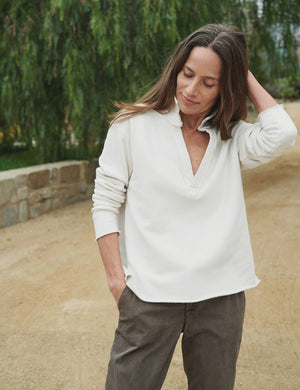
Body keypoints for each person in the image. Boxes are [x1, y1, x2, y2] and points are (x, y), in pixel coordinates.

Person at [92, 24, 297, 390]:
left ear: (226, 86)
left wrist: (240, 66)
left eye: (208, 82)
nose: (191, 90)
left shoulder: (231, 136)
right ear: (176, 69)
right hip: (149, 295)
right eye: (188, 74)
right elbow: (105, 201)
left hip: (221, 296)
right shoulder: (132, 126)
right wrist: (117, 281)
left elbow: (282, 133)